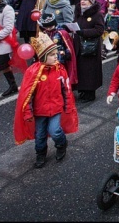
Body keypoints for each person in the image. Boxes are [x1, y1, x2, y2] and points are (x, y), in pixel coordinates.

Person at [14, 31, 79, 169]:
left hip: (56, 108)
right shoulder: (34, 72)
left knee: (55, 130)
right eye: (52, 55)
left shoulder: (60, 70)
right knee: (40, 135)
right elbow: (27, 95)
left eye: (56, 54)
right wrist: (27, 113)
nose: (56, 57)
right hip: (40, 110)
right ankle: (40, 153)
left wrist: (68, 106)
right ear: (43, 57)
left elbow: (66, 90)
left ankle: (61, 144)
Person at [70, 0, 105, 102]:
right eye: (81, 0)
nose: (82, 2)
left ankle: (90, 93)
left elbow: (99, 30)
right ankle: (82, 90)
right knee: (81, 69)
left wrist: (83, 32)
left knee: (90, 70)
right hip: (79, 45)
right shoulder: (78, 12)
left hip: (91, 46)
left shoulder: (97, 14)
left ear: (91, 2)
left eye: (85, 0)